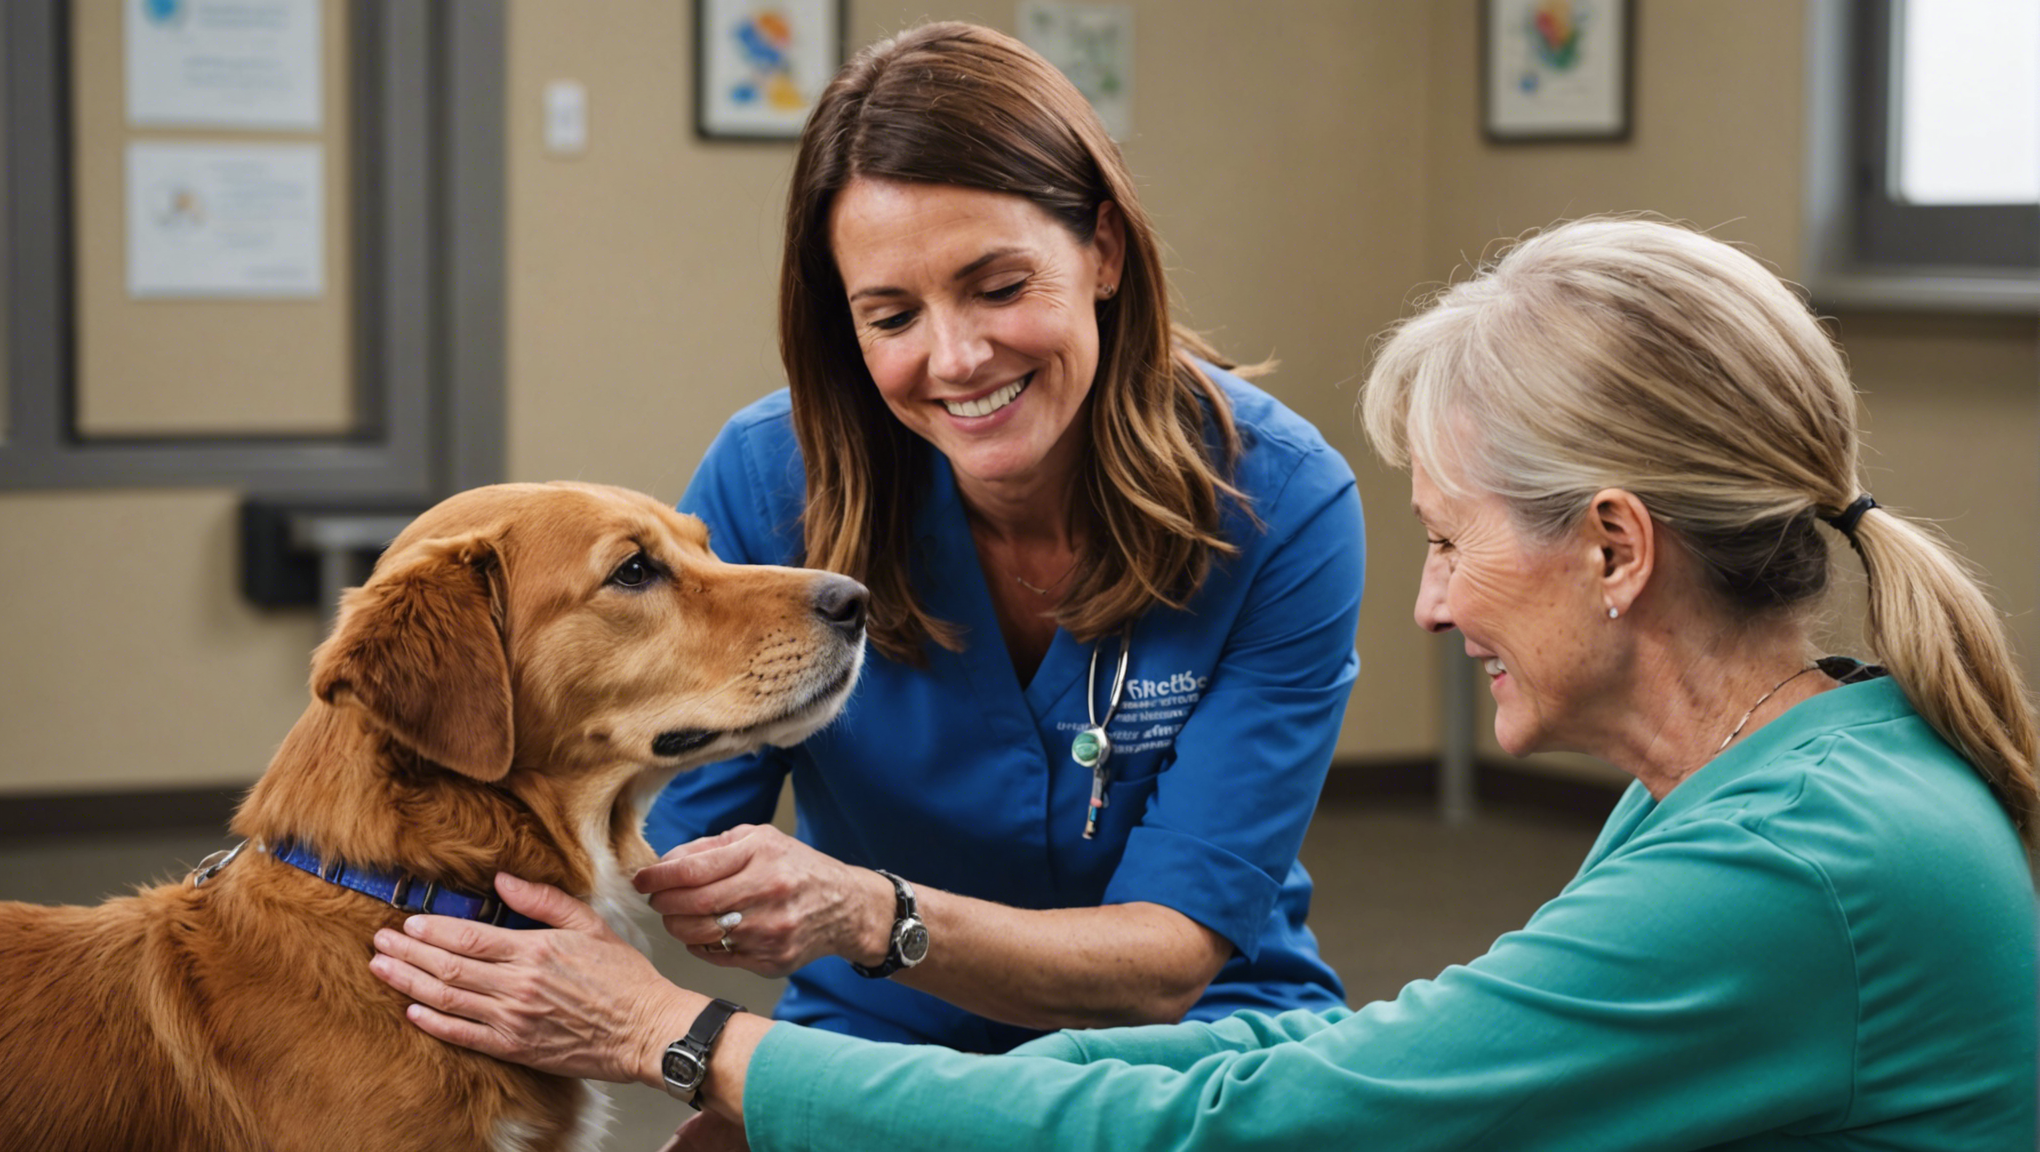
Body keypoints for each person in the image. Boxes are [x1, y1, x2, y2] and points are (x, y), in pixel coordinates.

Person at [372, 216, 2036, 1150]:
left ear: (1616, 547)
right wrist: (843, 1076)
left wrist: (679, 1039)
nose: (1429, 605)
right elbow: (1341, 1079)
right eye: (891, 313)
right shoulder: (1778, 777)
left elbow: (1270, 1116)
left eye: (1449, 543)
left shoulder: (1793, 864)